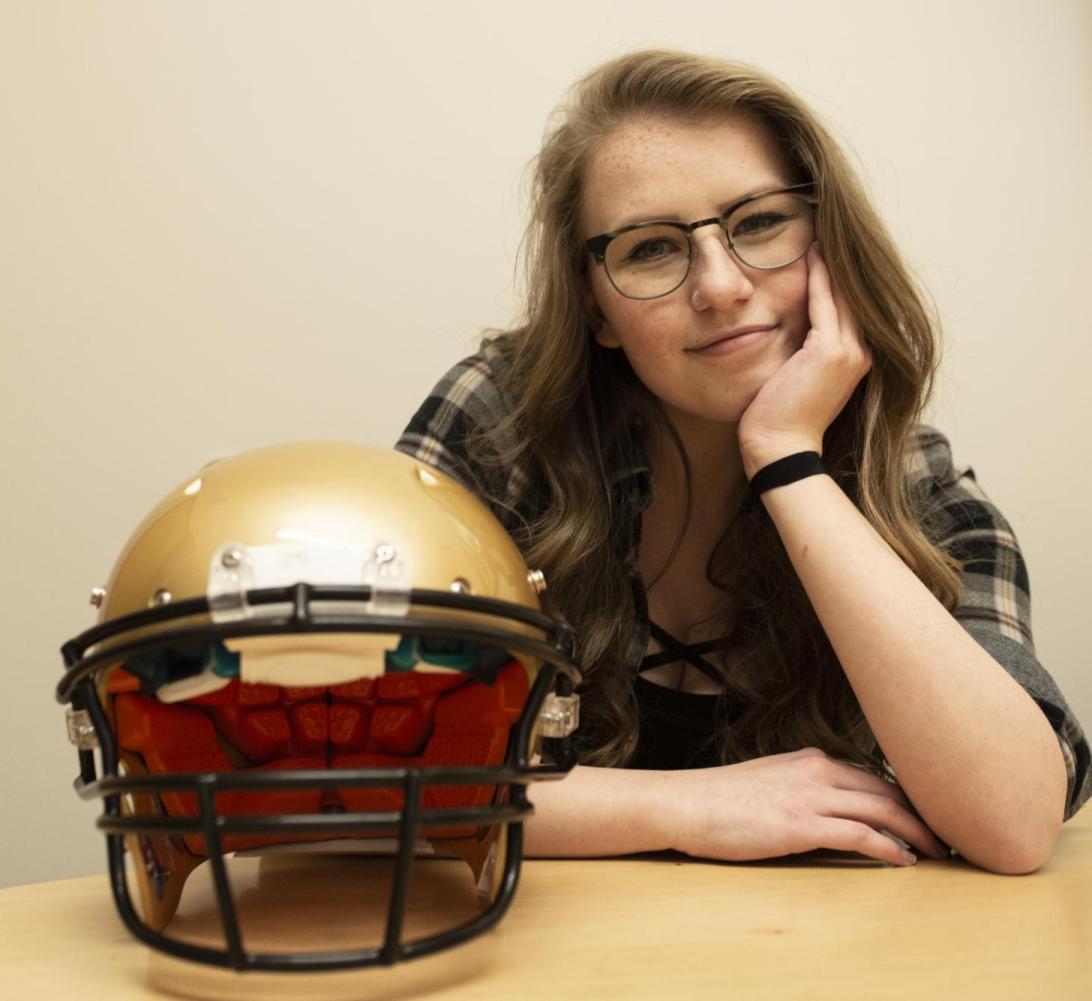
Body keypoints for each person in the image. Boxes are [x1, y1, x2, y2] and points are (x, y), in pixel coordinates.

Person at [395, 49, 1088, 875]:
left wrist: (787, 459)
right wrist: (687, 806)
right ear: (597, 307)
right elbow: (342, 770)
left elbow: (1012, 820)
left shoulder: (916, 490)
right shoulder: (500, 423)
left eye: (759, 223)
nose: (721, 286)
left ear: (831, 242)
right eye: (652, 248)